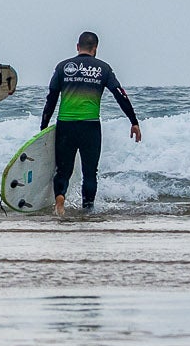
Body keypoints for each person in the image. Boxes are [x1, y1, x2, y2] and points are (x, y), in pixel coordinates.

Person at [40, 31, 141, 216]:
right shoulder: (103, 68)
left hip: (66, 125)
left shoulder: (63, 67)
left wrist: (43, 127)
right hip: (90, 126)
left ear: (78, 47)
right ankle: (87, 210)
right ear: (95, 48)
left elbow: (51, 98)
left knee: (63, 170)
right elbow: (120, 94)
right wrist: (133, 121)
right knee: (90, 172)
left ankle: (60, 199)